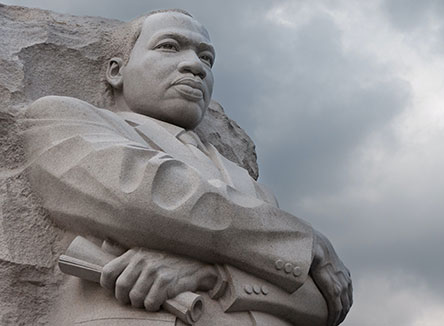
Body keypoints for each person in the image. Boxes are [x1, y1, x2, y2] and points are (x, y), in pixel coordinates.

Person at [23, 9, 351, 326]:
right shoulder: (64, 119)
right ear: (115, 71)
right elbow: (142, 197)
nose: (196, 66)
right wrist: (305, 242)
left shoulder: (253, 189)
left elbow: (326, 302)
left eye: (207, 58)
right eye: (169, 46)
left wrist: (213, 275)